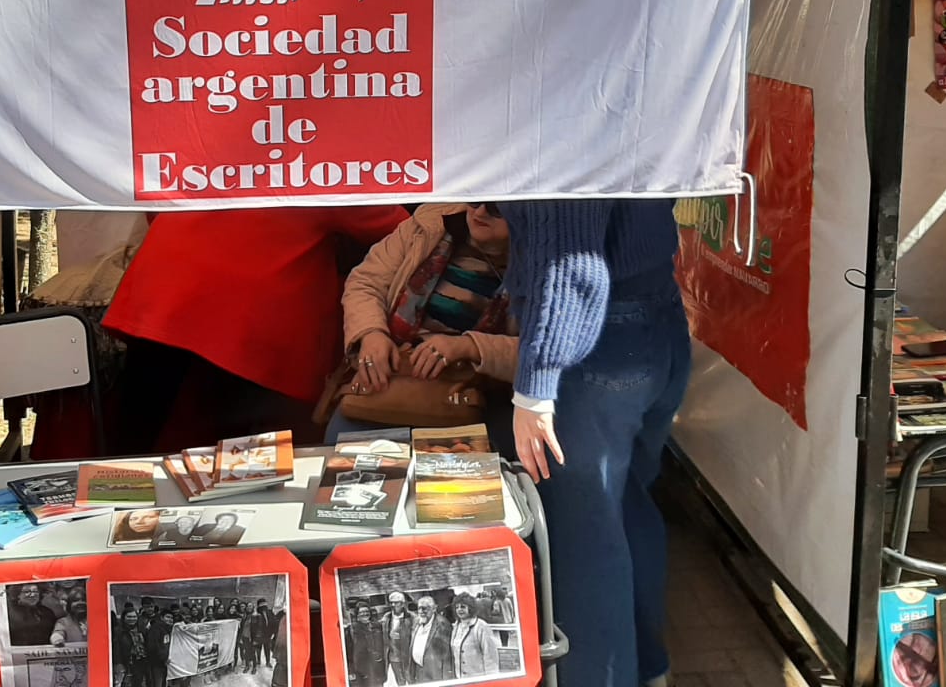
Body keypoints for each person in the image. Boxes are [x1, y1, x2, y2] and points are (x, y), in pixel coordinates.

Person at [502, 198, 689, 687]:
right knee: (624, 509)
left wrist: (537, 383)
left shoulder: (559, 139)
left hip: (594, 342)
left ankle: (616, 673)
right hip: (654, 320)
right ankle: (648, 667)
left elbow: (570, 257)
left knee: (584, 539)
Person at [104, 205, 408, 453]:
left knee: (138, 429)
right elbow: (407, 231)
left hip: (165, 290)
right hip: (248, 316)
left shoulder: (211, 152)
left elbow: (156, 203)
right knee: (242, 451)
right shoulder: (323, 171)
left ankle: (107, 498)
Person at [331, 203, 518, 446]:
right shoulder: (432, 220)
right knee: (340, 447)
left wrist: (469, 347)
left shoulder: (546, 259)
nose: (480, 212)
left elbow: (546, 350)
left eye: (496, 208)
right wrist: (371, 333)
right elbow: (365, 281)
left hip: (479, 396)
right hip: (393, 377)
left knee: (489, 457)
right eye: (474, 199)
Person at [448, 594, 500, 679]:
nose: (459, 609)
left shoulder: (482, 626)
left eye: (463, 607)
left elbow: (490, 657)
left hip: (478, 678)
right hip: (460, 678)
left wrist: (491, 680)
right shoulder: (456, 627)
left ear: (471, 608)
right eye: (457, 607)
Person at [407, 596, 452, 683]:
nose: (421, 611)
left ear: (434, 609)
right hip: (418, 671)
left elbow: (447, 655)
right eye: (419, 608)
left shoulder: (442, 624)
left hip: (435, 674)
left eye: (424, 608)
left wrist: (446, 680)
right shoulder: (416, 621)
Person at [345, 603, 386, 687]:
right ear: (357, 614)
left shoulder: (377, 626)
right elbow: (348, 651)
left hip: (376, 667)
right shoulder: (351, 630)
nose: (365, 614)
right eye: (362, 612)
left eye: (367, 611)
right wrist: (351, 670)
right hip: (360, 669)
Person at [380, 593, 414, 686]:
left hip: (408, 656)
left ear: (402, 604)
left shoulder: (411, 617)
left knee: (411, 680)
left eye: (396, 603)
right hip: (393, 656)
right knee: (400, 681)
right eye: (391, 602)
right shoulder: (387, 617)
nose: (393, 605)